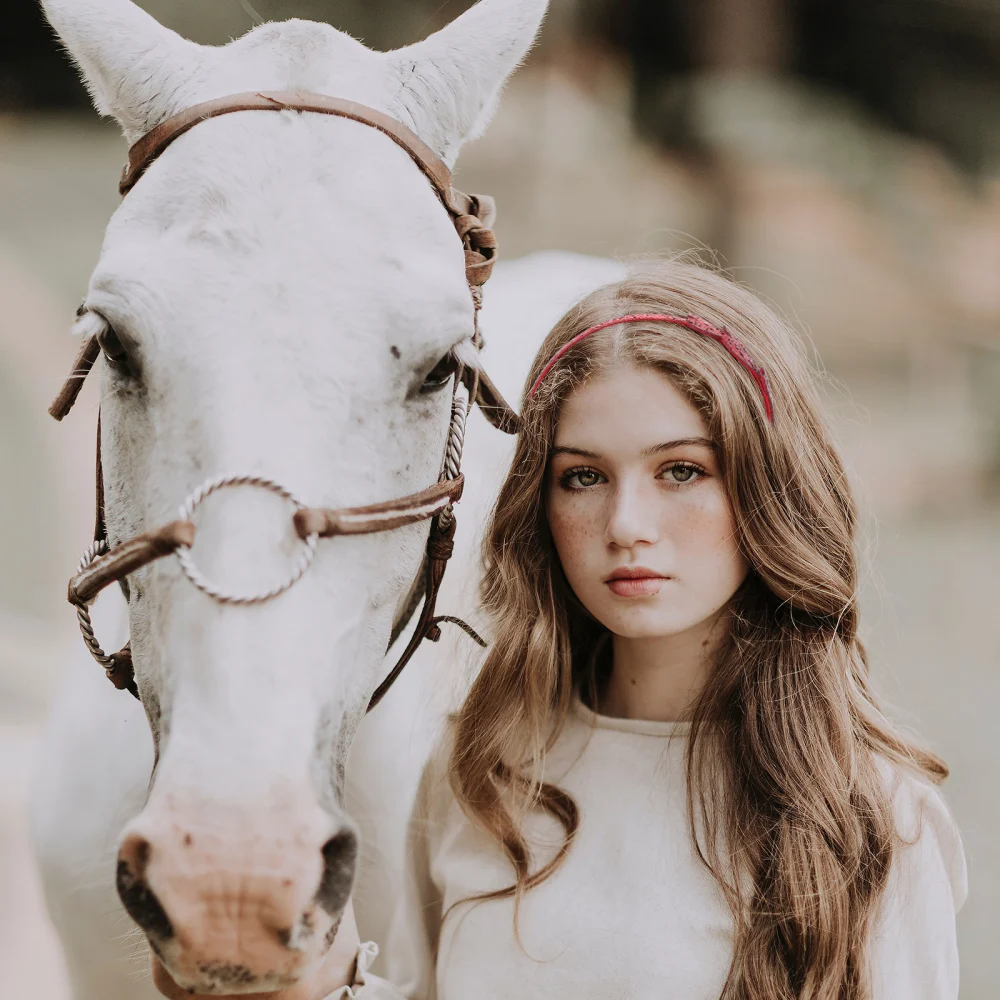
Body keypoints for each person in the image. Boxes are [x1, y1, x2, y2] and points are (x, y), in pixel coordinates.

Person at [331, 259, 967, 999]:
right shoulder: (481, 769)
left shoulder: (872, 819)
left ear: (766, 484)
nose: (627, 526)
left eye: (681, 471)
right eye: (584, 477)